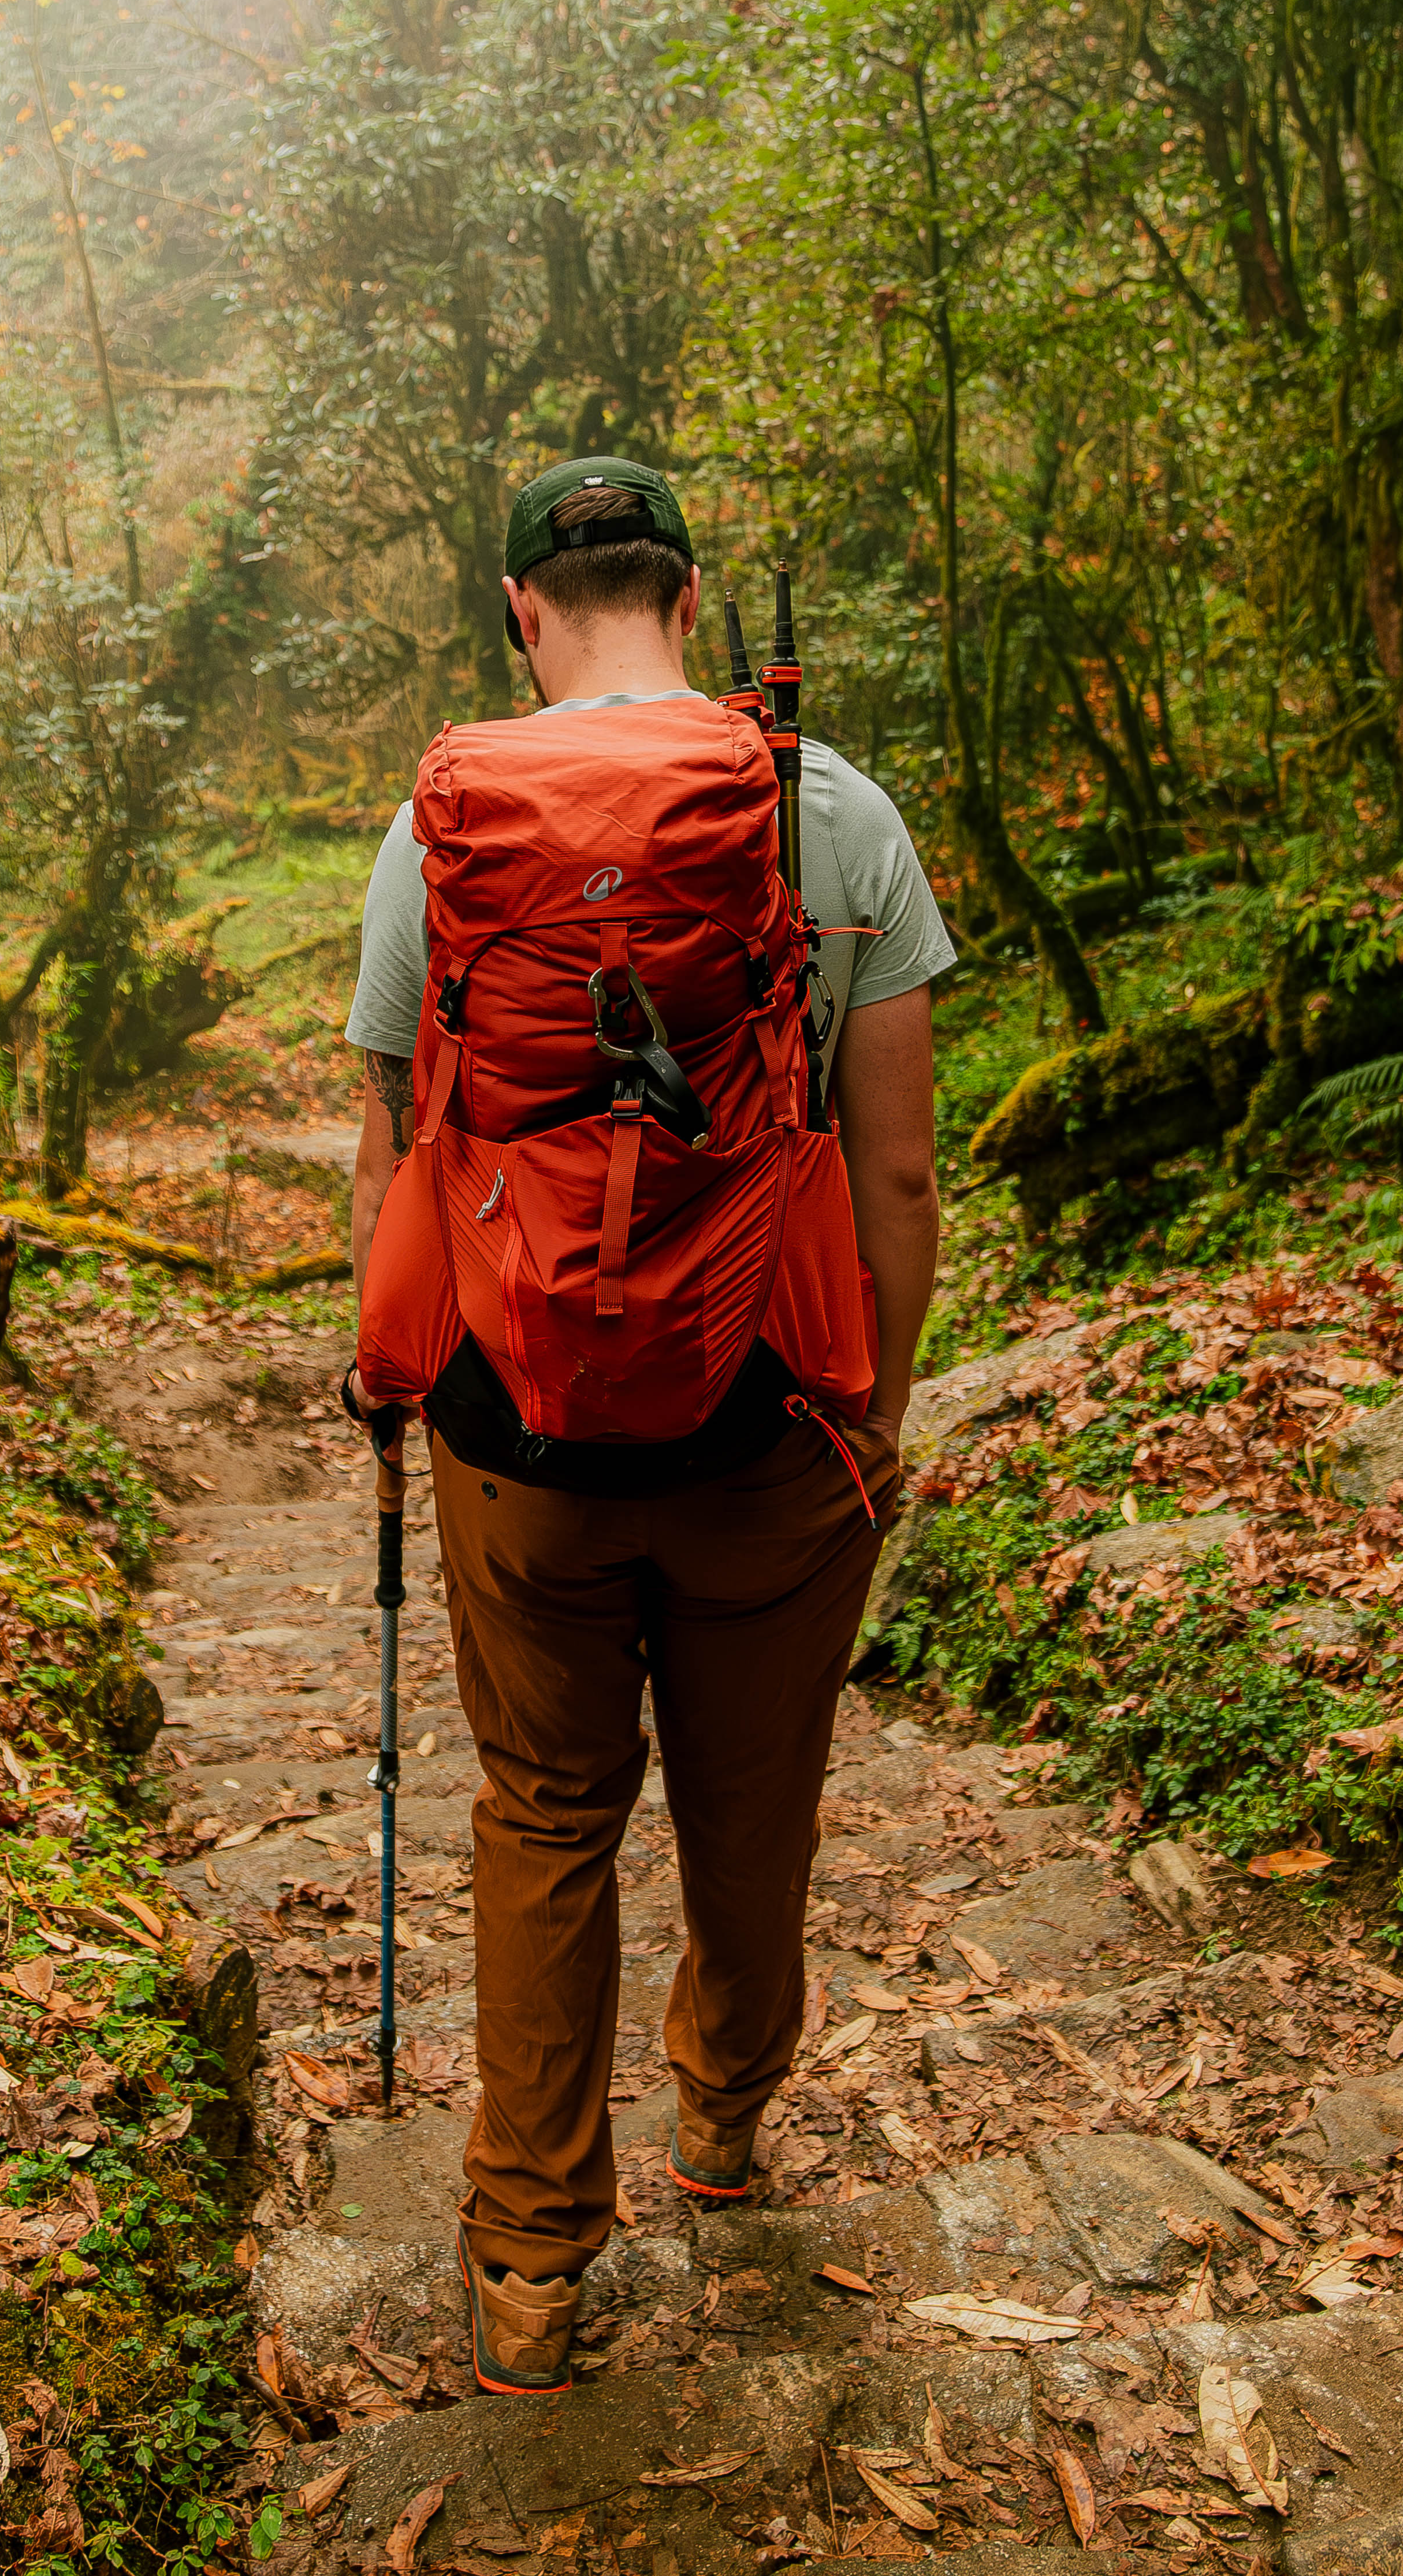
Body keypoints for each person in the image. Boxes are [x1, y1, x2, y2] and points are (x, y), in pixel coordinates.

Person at [341, 458, 951, 2399]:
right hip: (774, 1422)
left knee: (546, 1816)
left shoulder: (439, 829)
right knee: (752, 1806)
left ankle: (529, 2266)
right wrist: (872, 1418)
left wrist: (397, 1379)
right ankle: (723, 2119)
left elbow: (397, 1137)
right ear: (688, 598)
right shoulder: (826, 809)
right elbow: (901, 1174)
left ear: (521, 612)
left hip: (518, 1428)